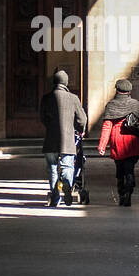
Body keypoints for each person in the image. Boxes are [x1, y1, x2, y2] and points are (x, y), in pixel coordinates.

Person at [40, 69, 87, 207]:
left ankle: (55, 196)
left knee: (52, 168)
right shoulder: (73, 98)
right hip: (67, 139)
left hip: (50, 139)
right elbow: (82, 119)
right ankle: (67, 183)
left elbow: (42, 118)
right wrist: (80, 130)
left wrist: (51, 127)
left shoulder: (46, 98)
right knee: (67, 166)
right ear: (66, 83)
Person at [97, 78, 139, 207]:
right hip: (132, 141)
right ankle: (129, 190)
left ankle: (122, 193)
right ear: (129, 91)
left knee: (120, 170)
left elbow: (107, 126)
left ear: (117, 90)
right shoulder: (135, 104)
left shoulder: (111, 105)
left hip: (117, 140)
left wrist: (102, 146)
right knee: (130, 169)